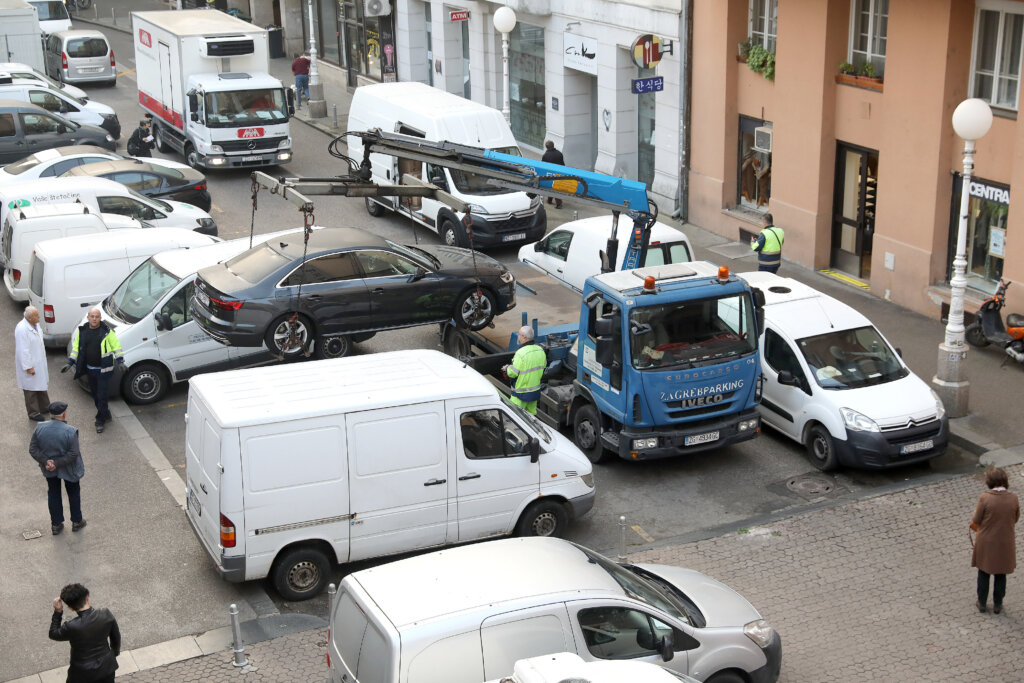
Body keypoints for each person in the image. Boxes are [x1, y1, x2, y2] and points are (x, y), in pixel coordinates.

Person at [30, 402, 85, 535]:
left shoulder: (40, 428)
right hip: (69, 469)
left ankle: (56, 524)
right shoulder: (70, 431)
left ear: (51, 414)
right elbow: (73, 454)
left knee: (53, 493)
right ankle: (77, 521)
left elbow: (33, 449)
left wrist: (47, 462)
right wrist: (57, 463)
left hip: (49, 469)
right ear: (64, 414)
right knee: (73, 493)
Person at [971, 467, 1019, 614]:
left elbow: (976, 520)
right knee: (1001, 573)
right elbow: (1016, 518)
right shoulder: (1013, 498)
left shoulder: (985, 498)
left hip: (986, 541)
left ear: (989, 482)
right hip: (1005, 540)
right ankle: (998, 604)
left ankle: (982, 603)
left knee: (984, 572)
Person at [67, 308, 123, 434]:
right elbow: (76, 348)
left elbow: (116, 346)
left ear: (100, 318)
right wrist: (70, 361)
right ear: (88, 317)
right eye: (92, 316)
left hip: (103, 371)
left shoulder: (107, 332)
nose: (94, 319)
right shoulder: (83, 332)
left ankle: (100, 420)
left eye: (96, 316)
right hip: (90, 370)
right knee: (96, 396)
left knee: (101, 396)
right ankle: (106, 413)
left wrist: (120, 360)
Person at [50, 583, 120, 683]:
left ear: (70, 608)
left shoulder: (71, 626)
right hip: (106, 668)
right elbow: (116, 638)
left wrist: (58, 611)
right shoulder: (105, 614)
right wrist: (113, 654)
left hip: (81, 673)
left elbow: (53, 633)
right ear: (87, 598)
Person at [16, 305, 50, 422]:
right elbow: (23, 350)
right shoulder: (22, 329)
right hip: (30, 365)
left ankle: (45, 407)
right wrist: (28, 367)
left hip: (39, 361)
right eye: (36, 315)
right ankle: (33, 413)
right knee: (31, 390)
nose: (39, 316)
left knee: (41, 386)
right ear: (30, 318)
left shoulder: (35, 324)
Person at [503, 326, 546, 415]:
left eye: (519, 334)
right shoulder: (540, 350)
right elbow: (543, 366)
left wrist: (507, 368)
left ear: (524, 337)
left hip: (520, 394)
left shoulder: (521, 353)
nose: (518, 336)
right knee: (531, 417)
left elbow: (513, 373)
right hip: (534, 392)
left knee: (515, 416)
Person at [542, 140, 566, 209]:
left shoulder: (546, 155)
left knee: (552, 187)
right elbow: (563, 164)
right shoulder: (559, 153)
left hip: (550, 174)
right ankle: (549, 200)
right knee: (555, 187)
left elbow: (543, 166)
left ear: (547, 147)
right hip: (559, 173)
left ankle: (559, 204)